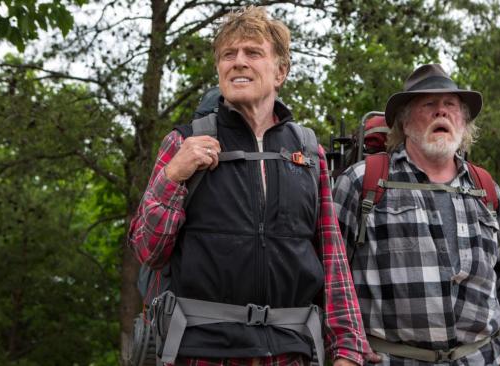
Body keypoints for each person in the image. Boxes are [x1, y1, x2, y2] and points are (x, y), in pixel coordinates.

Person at [128, 6, 370, 366]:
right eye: (229, 54)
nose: (238, 62)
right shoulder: (184, 143)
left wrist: (348, 349)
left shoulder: (307, 151)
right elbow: (148, 251)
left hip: (290, 353)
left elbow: (332, 259)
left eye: (253, 52)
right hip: (200, 352)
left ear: (280, 71)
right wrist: (172, 177)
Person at [333, 64, 500, 366]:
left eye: (450, 105)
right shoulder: (362, 182)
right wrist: (346, 355)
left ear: (463, 122)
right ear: (405, 120)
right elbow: (330, 282)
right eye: (429, 104)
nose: (441, 112)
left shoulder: (487, 191)